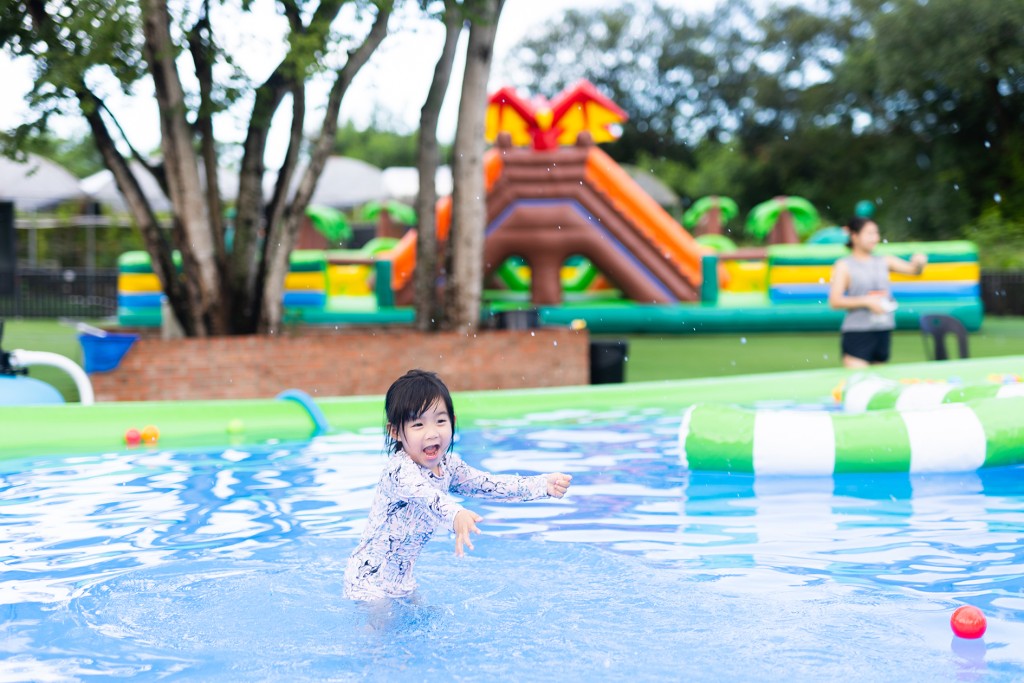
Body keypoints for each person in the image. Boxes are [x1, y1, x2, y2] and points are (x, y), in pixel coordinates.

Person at [344, 369, 572, 602]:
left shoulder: (448, 466)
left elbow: (488, 484)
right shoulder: (399, 471)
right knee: (380, 632)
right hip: (367, 580)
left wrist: (541, 485)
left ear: (452, 422)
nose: (432, 433)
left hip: (402, 581)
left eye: (440, 421)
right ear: (395, 432)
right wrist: (456, 515)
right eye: (418, 425)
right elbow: (429, 498)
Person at [828, 217, 927, 368]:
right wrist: (867, 301)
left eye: (876, 233)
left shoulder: (884, 261)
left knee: (880, 385)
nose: (875, 238)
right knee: (859, 384)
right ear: (854, 236)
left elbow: (914, 271)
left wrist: (919, 263)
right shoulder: (844, 265)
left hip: (883, 330)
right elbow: (835, 301)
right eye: (869, 233)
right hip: (858, 333)